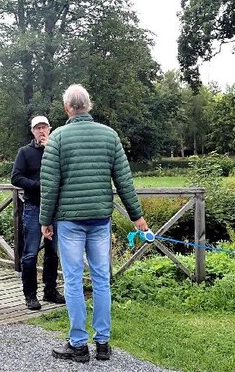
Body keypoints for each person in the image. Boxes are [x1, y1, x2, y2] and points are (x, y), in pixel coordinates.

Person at [39, 84, 148, 362]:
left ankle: (78, 344)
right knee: (102, 281)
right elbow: (124, 181)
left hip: (70, 221)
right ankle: (103, 344)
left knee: (74, 281)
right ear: (89, 106)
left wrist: (45, 220)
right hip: (100, 219)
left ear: (67, 108)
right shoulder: (109, 135)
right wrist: (137, 217)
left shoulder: (58, 138)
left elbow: (49, 185)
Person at [11, 116, 65, 310]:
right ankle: (30, 295)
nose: (41, 131)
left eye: (44, 127)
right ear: (32, 131)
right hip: (34, 206)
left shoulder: (58, 149)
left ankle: (50, 290)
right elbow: (16, 177)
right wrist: (38, 186)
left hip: (55, 209)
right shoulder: (25, 152)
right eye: (37, 128)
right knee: (30, 253)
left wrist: (51, 149)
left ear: (50, 129)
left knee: (53, 252)